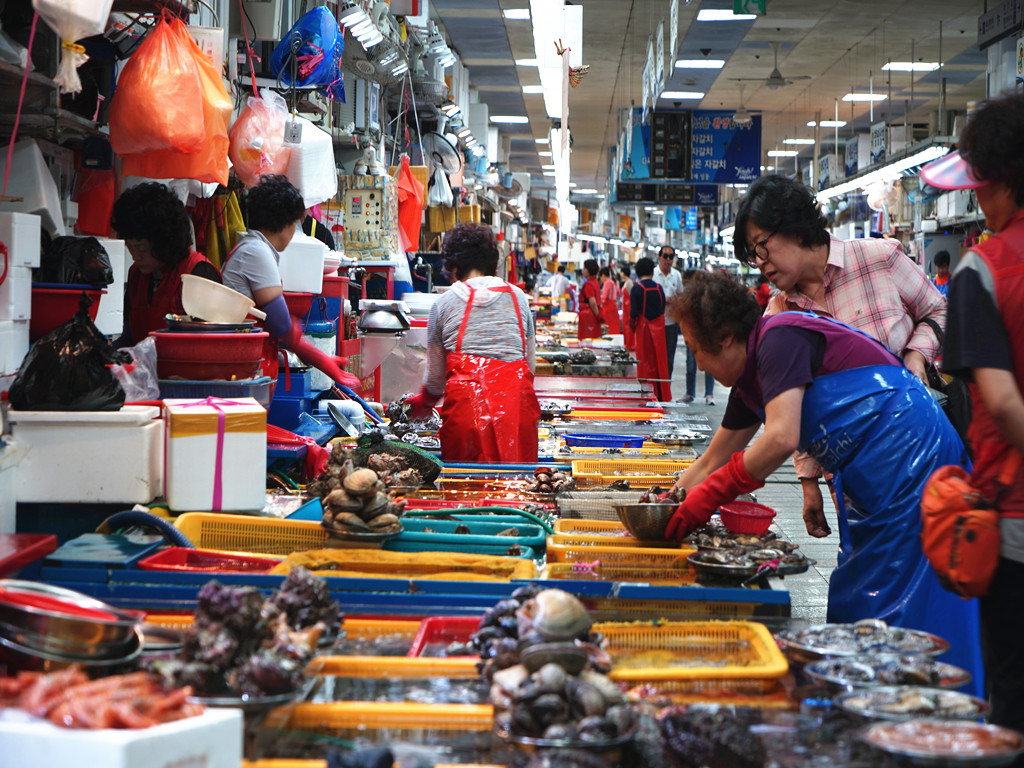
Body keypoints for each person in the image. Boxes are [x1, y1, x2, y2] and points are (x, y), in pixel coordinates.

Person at [664, 271, 982, 693]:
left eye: (697, 350)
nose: (697, 363)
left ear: (724, 337)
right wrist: (669, 502)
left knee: (906, 592)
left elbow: (781, 437)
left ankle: (926, 706)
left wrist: (709, 498)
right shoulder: (748, 382)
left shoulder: (778, 339)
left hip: (912, 455)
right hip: (872, 473)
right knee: (859, 590)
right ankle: (863, 700)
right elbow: (710, 460)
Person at [734, 174, 947, 539]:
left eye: (761, 246)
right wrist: (808, 480)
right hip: (851, 479)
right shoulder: (779, 317)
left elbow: (939, 310)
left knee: (936, 558)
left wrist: (916, 355)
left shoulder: (880, 259)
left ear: (795, 228)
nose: (760, 263)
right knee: (869, 565)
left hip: (922, 454)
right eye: (753, 255)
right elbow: (794, 409)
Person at [923, 90, 1024, 739]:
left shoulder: (982, 271)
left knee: (1013, 701)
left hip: (1015, 523)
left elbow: (1005, 405)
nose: (978, 202)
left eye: (981, 187)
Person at [406, 222, 540, 462]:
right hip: (516, 416)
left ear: (453, 268)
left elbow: (436, 381)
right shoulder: (519, 298)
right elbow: (530, 366)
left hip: (467, 419)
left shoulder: (443, 304)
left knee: (465, 490)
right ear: (492, 263)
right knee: (518, 490)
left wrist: (423, 403)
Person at [221, 175, 358, 388]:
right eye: (296, 224)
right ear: (286, 222)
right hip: (241, 371)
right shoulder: (256, 252)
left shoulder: (254, 248)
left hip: (247, 367)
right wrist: (323, 361)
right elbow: (281, 325)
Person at [110, 182, 222, 345]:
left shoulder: (199, 273)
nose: (135, 256)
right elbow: (130, 336)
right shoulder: (136, 274)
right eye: (130, 246)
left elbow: (213, 344)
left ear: (163, 241)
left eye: (141, 248)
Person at [629, 257, 670, 401]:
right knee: (660, 363)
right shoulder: (659, 288)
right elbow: (662, 306)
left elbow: (633, 313)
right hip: (659, 330)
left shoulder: (636, 289)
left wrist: (632, 328)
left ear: (638, 273)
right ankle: (662, 395)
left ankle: (647, 395)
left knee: (645, 363)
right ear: (652, 272)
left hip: (644, 330)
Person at [681, 270, 715, 405]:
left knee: (708, 366)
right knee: (690, 365)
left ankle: (709, 394)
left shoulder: (708, 297)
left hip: (706, 336)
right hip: (692, 336)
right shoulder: (687, 298)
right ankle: (690, 393)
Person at [652, 245, 684, 375]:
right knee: (655, 358)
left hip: (671, 324)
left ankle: (666, 390)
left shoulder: (676, 275)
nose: (668, 259)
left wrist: (675, 301)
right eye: (665, 256)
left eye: (671, 257)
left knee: (669, 359)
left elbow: (681, 296)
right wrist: (664, 299)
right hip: (655, 323)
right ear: (659, 257)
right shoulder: (653, 274)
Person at [578, 258, 603, 340]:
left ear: (589, 270)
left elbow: (593, 303)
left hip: (588, 317)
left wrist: (597, 316)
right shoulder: (595, 282)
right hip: (593, 316)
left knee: (587, 342)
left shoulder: (588, 284)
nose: (583, 270)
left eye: (584, 268)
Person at [598, 266, 621, 334]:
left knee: (608, 327)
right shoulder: (613, 282)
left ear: (603, 275)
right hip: (614, 307)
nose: (601, 280)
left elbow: (604, 296)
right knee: (614, 327)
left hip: (608, 308)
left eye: (601, 278)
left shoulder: (607, 282)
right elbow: (618, 293)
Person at [620, 266, 635, 351]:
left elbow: (632, 295)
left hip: (628, 307)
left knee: (628, 326)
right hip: (625, 308)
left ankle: (630, 344)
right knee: (625, 326)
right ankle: (627, 343)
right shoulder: (626, 282)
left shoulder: (629, 283)